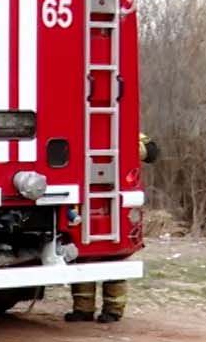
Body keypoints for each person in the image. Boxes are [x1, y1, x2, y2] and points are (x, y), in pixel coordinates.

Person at [68, 132, 159, 324]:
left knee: (114, 256)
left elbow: (152, 152)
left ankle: (113, 310)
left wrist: (128, 148)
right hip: (83, 196)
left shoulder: (128, 129)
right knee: (83, 255)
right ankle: (83, 309)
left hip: (116, 197)